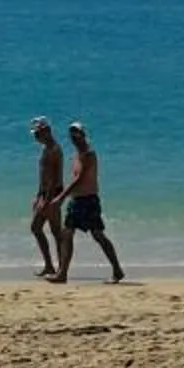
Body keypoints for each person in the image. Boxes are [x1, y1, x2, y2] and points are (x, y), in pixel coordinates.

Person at [56, 121, 124, 283]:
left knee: (98, 235)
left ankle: (117, 269)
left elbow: (79, 179)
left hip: (88, 200)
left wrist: (61, 196)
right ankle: (62, 273)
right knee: (67, 233)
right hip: (77, 199)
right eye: (71, 134)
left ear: (83, 135)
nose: (74, 137)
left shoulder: (88, 154)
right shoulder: (76, 155)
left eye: (77, 133)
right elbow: (74, 178)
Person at [29, 118, 64, 279]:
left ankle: (60, 269)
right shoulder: (46, 148)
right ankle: (49, 265)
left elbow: (53, 178)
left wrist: (48, 200)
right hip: (45, 193)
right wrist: (38, 196)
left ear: (46, 132)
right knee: (36, 228)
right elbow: (43, 176)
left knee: (56, 232)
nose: (36, 137)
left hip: (53, 193)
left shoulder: (55, 150)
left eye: (38, 134)